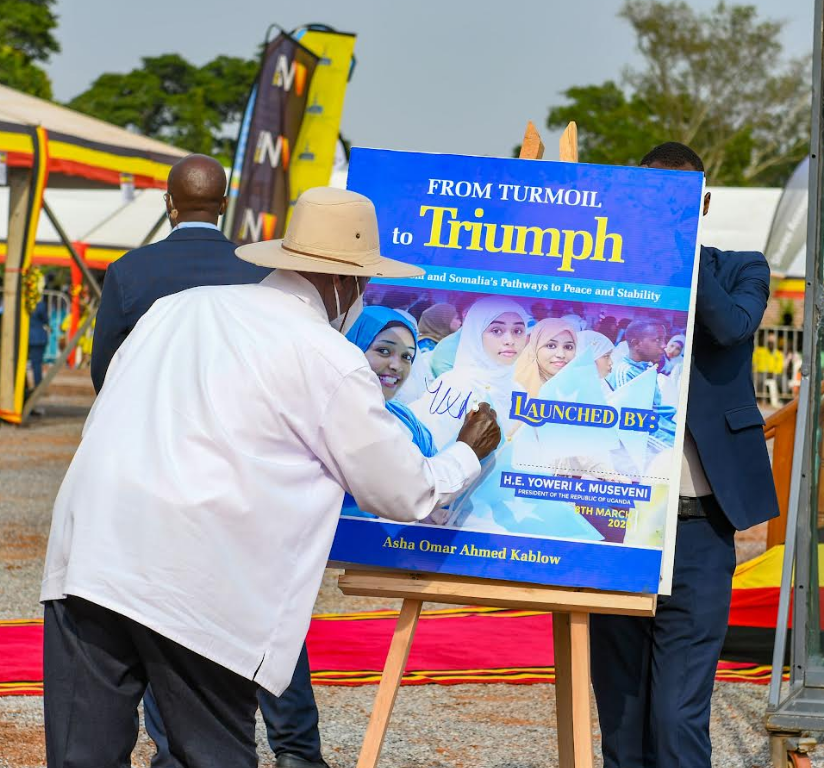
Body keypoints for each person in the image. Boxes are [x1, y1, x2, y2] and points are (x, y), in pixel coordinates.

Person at [41, 187, 501, 768]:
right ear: (349, 284)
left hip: (91, 553)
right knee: (211, 754)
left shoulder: (178, 308)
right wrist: (465, 452)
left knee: (82, 753)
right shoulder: (326, 356)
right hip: (195, 577)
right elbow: (403, 491)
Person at [89, 154, 329, 768]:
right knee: (273, 611)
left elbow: (105, 376)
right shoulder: (254, 270)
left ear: (170, 204)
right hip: (252, 474)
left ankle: (178, 754)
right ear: (223, 205)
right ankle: (298, 750)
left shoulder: (130, 271)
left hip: (159, 472)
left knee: (168, 619)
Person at [589, 142, 779, 768]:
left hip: (699, 526)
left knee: (676, 720)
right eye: (650, 201)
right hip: (616, 523)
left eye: (675, 201)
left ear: (702, 203)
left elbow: (727, 329)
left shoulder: (740, 269)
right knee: (620, 718)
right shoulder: (608, 274)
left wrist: (676, 250)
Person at [341, 306, 438, 520]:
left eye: (407, 357)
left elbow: (434, 481)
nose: (396, 366)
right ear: (353, 347)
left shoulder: (407, 419)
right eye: (384, 351)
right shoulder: (330, 417)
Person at [409, 296, 529, 449]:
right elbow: (435, 456)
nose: (509, 340)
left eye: (518, 331)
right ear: (476, 333)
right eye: (497, 330)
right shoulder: (452, 387)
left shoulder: (518, 391)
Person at [513, 317, 577, 398]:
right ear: (535, 348)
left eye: (568, 347)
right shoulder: (516, 386)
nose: (561, 354)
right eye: (551, 346)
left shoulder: (582, 385)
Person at [28, 297, 50, 388]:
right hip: (38, 337)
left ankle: (37, 384)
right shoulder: (40, 305)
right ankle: (38, 384)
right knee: (37, 363)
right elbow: (46, 319)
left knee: (35, 362)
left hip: (31, 337)